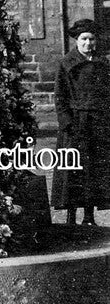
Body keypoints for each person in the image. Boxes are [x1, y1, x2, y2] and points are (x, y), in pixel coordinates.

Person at [51, 19, 110, 225]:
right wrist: (66, 122)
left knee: (93, 171)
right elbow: (60, 96)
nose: (88, 44)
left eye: (92, 39)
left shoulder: (102, 64)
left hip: (96, 124)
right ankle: (70, 215)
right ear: (77, 41)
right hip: (74, 125)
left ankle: (89, 215)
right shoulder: (67, 63)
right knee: (71, 171)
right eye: (84, 39)